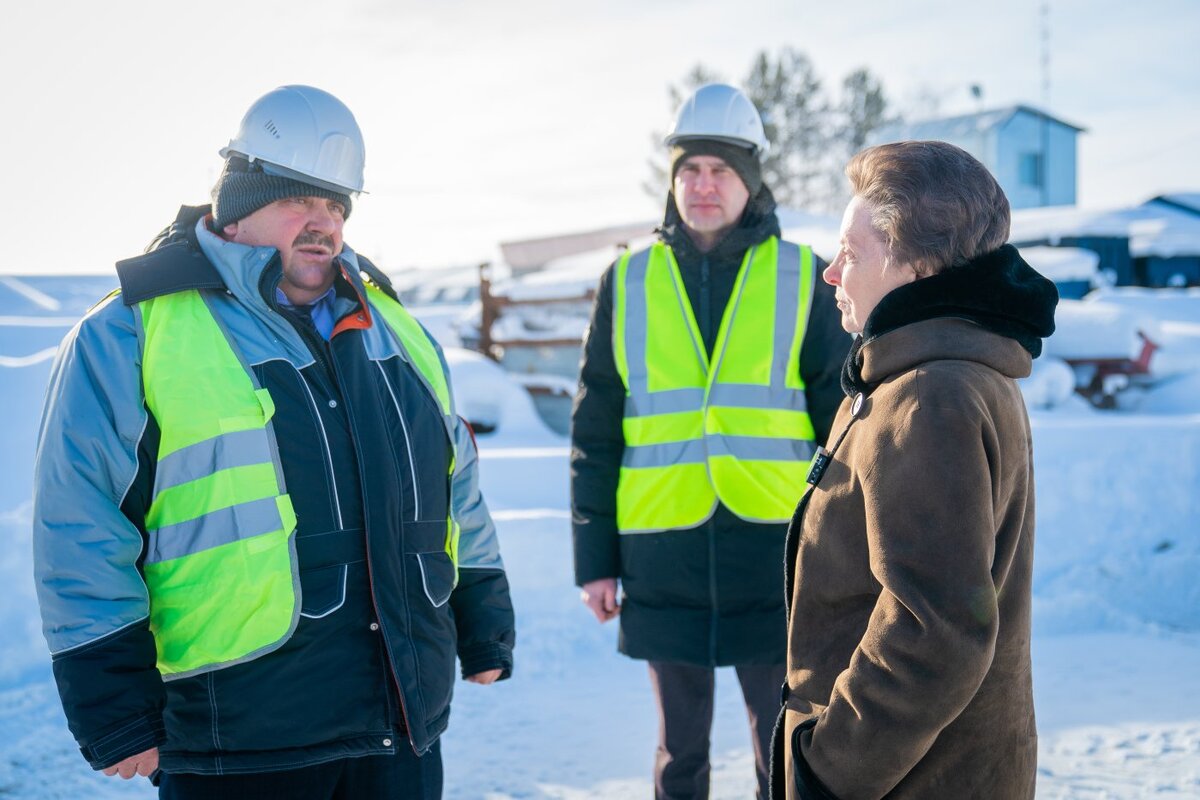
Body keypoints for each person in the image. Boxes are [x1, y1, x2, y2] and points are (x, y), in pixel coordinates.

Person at [32, 85, 515, 799]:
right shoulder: (133, 332)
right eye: (301, 198)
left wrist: (483, 616)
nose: (324, 222)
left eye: (339, 204)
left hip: (398, 729)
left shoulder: (394, 328)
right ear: (237, 203)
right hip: (238, 740)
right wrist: (112, 699)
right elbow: (80, 518)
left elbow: (455, 486)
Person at [571, 83, 850, 800]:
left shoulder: (803, 275)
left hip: (776, 548)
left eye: (720, 170)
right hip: (662, 546)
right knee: (679, 753)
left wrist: (845, 549)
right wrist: (595, 561)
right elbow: (596, 428)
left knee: (780, 747)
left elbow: (842, 423)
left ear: (750, 180)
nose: (702, 185)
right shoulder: (627, 281)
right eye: (689, 169)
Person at [775, 140, 1057, 799]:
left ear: (918, 265)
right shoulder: (944, 372)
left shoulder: (931, 395)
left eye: (852, 251)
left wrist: (829, 769)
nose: (831, 273)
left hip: (908, 781)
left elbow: (936, 630)